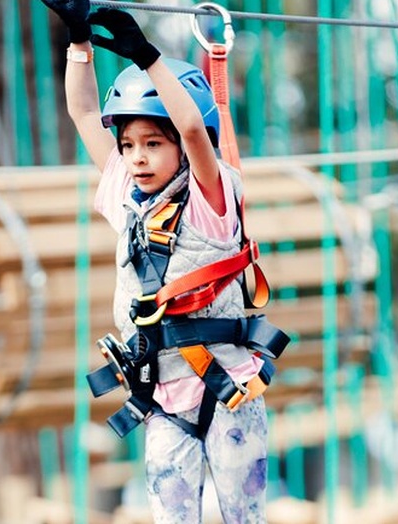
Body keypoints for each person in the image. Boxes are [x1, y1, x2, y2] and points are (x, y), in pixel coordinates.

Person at [41, 2, 288, 522]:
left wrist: (149, 58)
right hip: (162, 401)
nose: (137, 157)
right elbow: (84, 114)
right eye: (128, 145)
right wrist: (79, 42)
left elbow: (196, 132)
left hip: (229, 396)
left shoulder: (210, 198)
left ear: (177, 148)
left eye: (153, 144)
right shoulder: (128, 198)